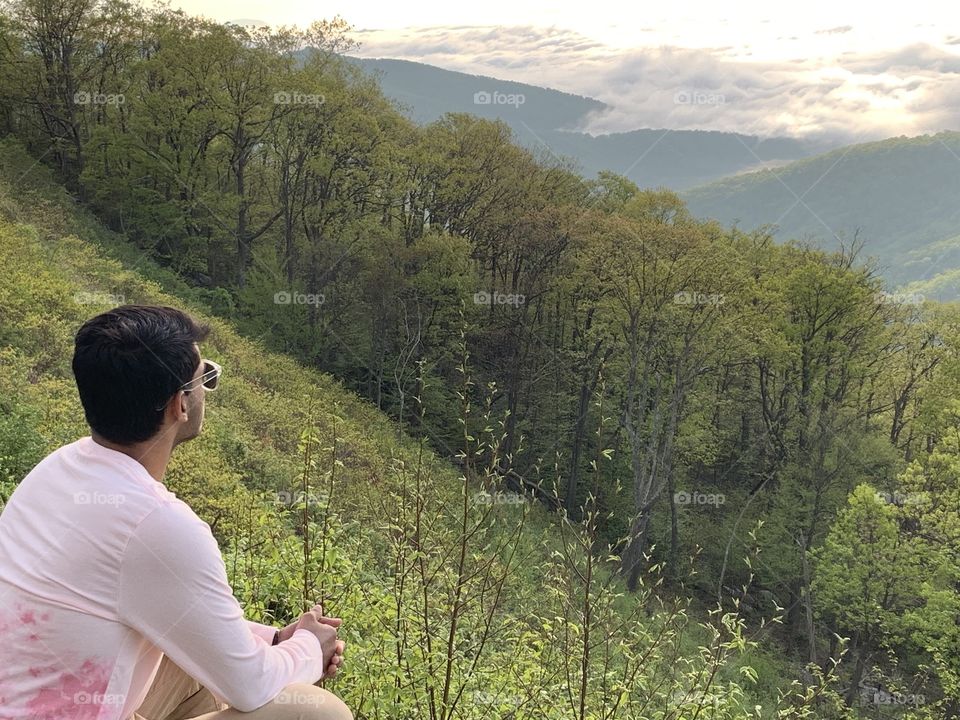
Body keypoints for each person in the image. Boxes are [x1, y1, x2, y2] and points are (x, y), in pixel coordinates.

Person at [0, 305, 351, 720]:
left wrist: (273, 639)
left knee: (197, 670)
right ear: (179, 405)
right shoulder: (155, 524)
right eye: (206, 378)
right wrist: (311, 647)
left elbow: (160, 610)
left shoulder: (57, 469)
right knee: (316, 712)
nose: (207, 390)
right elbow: (251, 685)